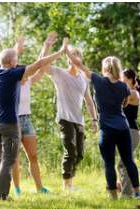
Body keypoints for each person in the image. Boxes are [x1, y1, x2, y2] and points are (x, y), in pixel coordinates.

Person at [0, 36, 68, 201]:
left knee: (0, 158)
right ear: (12, 63)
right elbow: (39, 64)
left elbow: (6, 58)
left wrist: (16, 49)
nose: (18, 62)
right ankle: (2, 195)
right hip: (10, 124)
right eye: (16, 60)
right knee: (9, 160)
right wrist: (60, 52)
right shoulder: (13, 75)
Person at [65, 46, 140, 199]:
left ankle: (113, 195)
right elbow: (125, 103)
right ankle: (137, 192)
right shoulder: (123, 87)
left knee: (109, 164)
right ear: (117, 69)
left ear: (104, 68)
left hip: (107, 130)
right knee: (129, 161)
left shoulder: (97, 80)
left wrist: (66, 51)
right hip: (123, 128)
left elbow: (78, 64)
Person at [30, 40, 98, 192]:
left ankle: (70, 183)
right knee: (70, 151)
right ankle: (67, 186)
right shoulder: (59, 73)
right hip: (64, 118)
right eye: (72, 56)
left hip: (79, 121)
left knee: (80, 154)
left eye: (77, 57)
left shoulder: (83, 78)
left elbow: (88, 100)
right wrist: (46, 46)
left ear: (80, 60)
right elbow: (42, 65)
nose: (75, 60)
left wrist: (94, 119)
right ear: (68, 59)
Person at [12, 32, 59, 196]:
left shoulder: (29, 82)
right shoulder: (13, 82)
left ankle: (40, 188)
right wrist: (16, 49)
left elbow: (40, 65)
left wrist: (46, 46)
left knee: (33, 155)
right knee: (15, 158)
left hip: (26, 120)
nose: (26, 73)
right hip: (13, 121)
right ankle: (17, 189)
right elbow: (8, 61)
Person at [117, 69, 140, 198]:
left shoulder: (134, 93)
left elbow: (121, 97)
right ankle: (131, 191)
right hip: (125, 132)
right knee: (123, 163)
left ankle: (127, 195)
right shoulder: (125, 91)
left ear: (132, 80)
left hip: (132, 132)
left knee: (124, 163)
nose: (122, 81)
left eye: (124, 79)